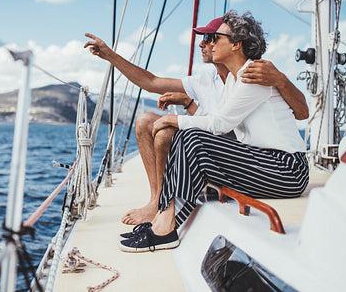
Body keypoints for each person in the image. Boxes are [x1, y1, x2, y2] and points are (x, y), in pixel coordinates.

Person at [84, 17, 308, 226]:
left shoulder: (255, 73)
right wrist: (110, 55)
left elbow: (220, 124)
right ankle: (160, 204)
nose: (203, 44)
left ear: (235, 44)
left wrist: (178, 117)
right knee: (153, 124)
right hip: (241, 152)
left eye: (211, 38)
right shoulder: (223, 79)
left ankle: (167, 214)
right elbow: (151, 82)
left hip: (268, 160)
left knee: (178, 132)